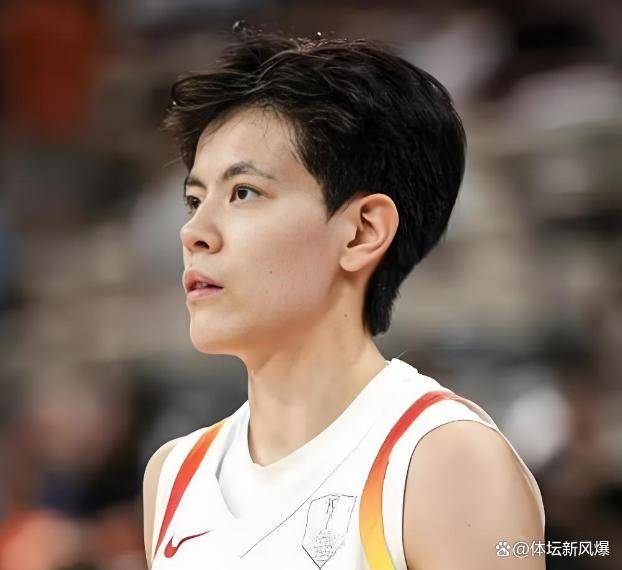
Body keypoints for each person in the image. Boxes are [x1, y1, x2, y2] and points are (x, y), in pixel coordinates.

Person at [143, 25, 545, 570]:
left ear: (361, 232)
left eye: (244, 192)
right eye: (194, 200)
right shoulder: (174, 475)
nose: (194, 232)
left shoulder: (441, 460)